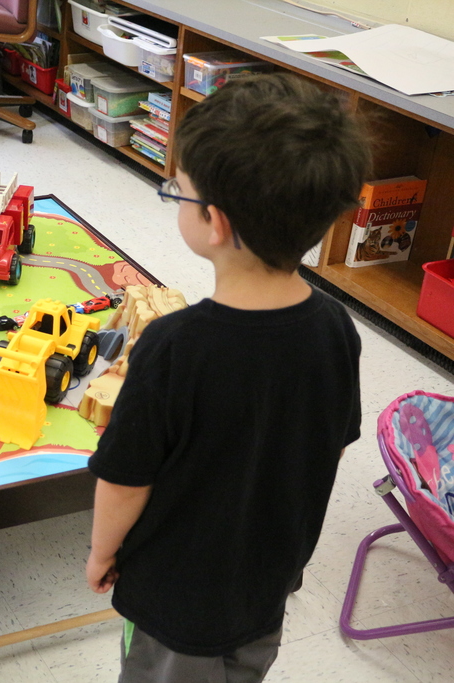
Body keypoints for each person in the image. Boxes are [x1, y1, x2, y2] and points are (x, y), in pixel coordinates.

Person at [86, 73, 371, 683]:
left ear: (213, 222)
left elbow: (124, 480)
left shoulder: (171, 347)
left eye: (177, 191)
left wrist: (101, 552)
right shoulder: (336, 328)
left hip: (173, 601)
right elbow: (327, 443)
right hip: (268, 585)